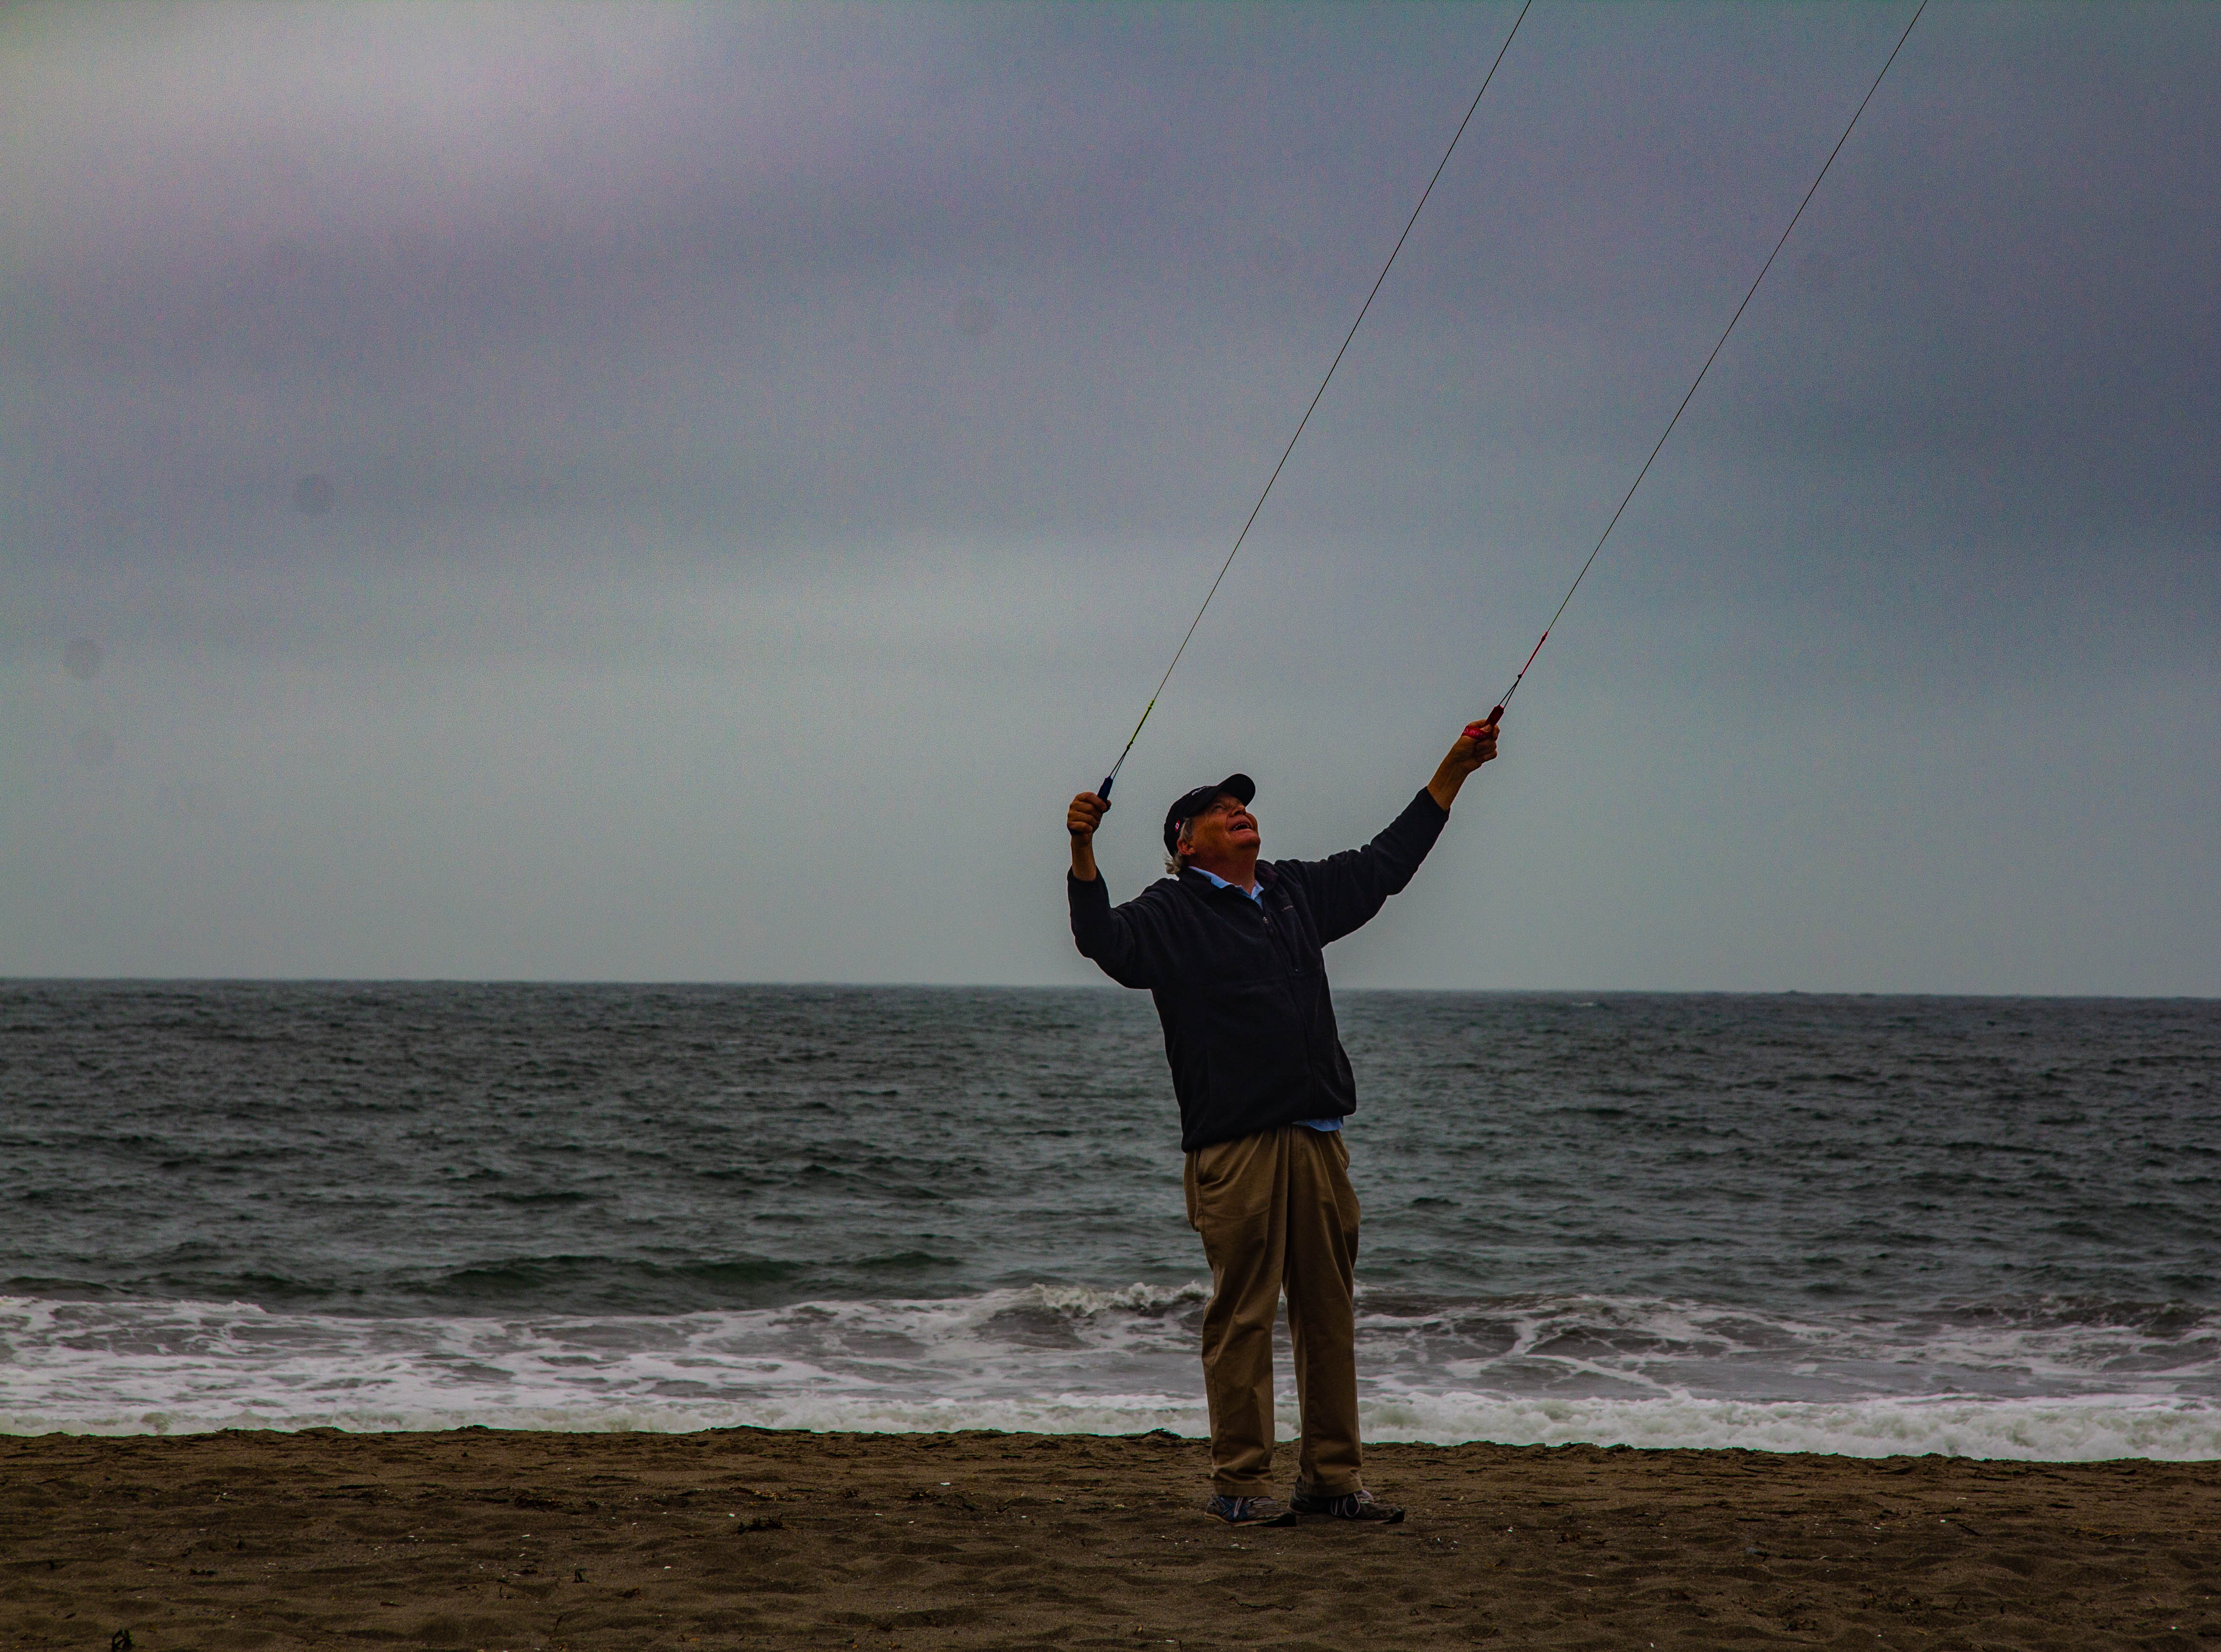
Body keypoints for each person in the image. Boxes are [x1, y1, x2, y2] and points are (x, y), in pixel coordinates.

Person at [1064, 717, 1500, 1525]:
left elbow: (1383, 866)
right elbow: (1104, 944)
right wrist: (1083, 853)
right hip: (1237, 1148)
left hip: (1320, 1136)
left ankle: (1332, 1482)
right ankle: (1239, 1486)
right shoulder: (1170, 911)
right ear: (1185, 844)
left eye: (1242, 802)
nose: (1238, 809)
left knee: (1329, 1316)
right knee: (1244, 1318)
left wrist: (1452, 772)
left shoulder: (1292, 890)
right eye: (1217, 807)